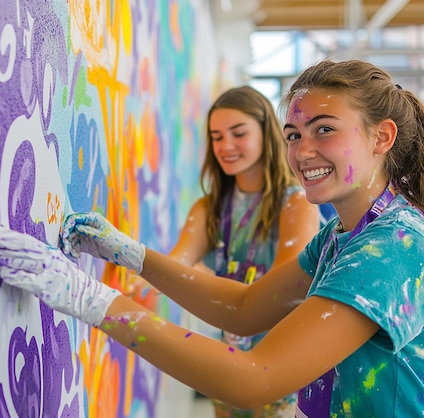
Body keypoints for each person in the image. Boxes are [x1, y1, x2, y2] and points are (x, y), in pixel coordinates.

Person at [0, 59, 424, 417]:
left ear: (381, 137)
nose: (302, 151)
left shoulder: (393, 249)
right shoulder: (345, 235)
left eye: (325, 129)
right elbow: (245, 307)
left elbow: (255, 377)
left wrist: (93, 300)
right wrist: (133, 255)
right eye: (294, 134)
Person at [127, 86, 321, 417]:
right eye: (216, 136)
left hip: (284, 360)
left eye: (238, 133)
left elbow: (284, 288)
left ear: (266, 133)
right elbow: (176, 264)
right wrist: (132, 270)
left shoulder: (296, 203)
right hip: (229, 356)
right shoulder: (210, 207)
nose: (225, 146)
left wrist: (203, 281)